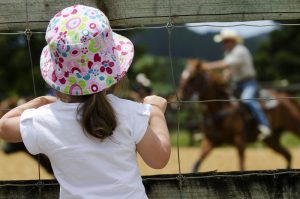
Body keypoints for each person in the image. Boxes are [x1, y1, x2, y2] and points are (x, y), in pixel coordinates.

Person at [0, 5, 170, 199]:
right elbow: (159, 158)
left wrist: (43, 101)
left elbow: (4, 126)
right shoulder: (130, 112)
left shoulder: (47, 119)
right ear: (112, 71)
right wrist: (155, 110)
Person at [203, 29, 271, 140]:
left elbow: (225, 64)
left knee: (247, 99)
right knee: (225, 101)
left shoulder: (240, 51)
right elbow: (229, 69)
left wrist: (205, 66)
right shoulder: (229, 53)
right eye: (223, 42)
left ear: (232, 41)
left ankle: (265, 125)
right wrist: (224, 78)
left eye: (225, 41)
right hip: (237, 83)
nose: (224, 44)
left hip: (249, 82)